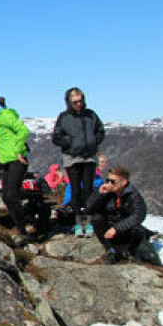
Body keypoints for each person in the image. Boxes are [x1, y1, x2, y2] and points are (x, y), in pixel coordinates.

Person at [52, 87, 105, 238]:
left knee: (88, 190)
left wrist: (94, 142)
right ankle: (77, 223)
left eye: (80, 101)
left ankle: (88, 223)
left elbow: (100, 130)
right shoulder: (64, 117)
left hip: (89, 156)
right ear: (69, 102)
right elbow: (56, 137)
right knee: (75, 190)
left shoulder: (91, 115)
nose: (79, 104)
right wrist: (68, 143)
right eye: (75, 101)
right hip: (72, 157)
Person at [86, 167, 160, 265]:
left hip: (125, 230)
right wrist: (99, 194)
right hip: (110, 228)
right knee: (96, 219)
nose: (109, 184)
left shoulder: (133, 196)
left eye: (113, 181)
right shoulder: (108, 193)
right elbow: (89, 210)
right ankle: (111, 250)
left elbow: (138, 216)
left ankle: (131, 251)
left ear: (124, 182)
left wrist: (116, 229)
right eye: (108, 180)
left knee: (137, 231)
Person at [0, 97, 32, 237]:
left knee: (11, 196)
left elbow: (23, 130)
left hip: (16, 160)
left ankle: (22, 229)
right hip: (5, 161)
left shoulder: (6, 115)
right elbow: (4, 138)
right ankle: (20, 226)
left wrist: (19, 151)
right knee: (6, 197)